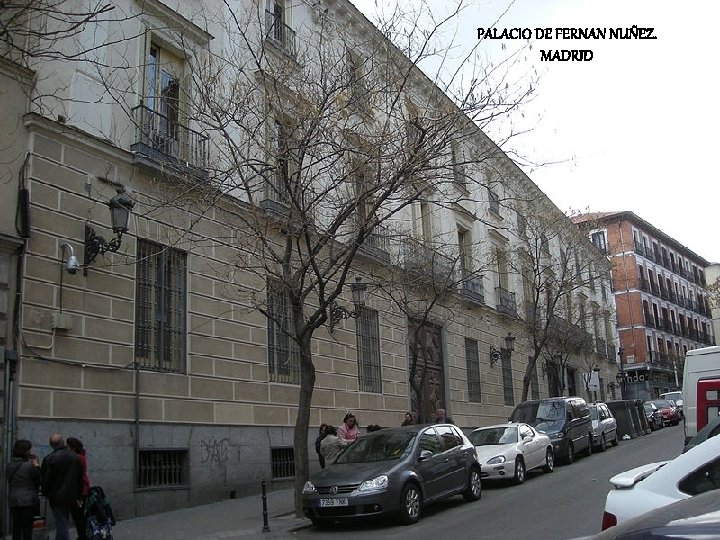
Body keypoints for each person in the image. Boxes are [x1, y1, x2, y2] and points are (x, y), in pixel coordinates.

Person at [41, 434, 82, 540]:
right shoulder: (75, 457)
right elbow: (79, 478)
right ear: (63, 442)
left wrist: (45, 492)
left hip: (56, 496)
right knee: (63, 521)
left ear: (51, 445)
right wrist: (78, 496)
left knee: (61, 522)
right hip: (71, 495)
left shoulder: (49, 459)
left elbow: (45, 480)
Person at [6, 439, 40, 540]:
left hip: (14, 499)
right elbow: (38, 479)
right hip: (27, 501)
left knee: (16, 527)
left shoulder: (9, 465)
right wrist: (37, 466)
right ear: (25, 451)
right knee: (27, 528)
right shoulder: (29, 466)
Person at [66, 437, 90, 540]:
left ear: (72, 447)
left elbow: (77, 477)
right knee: (79, 515)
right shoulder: (81, 456)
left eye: (67, 446)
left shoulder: (76, 458)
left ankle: (83, 536)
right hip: (83, 488)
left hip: (80, 490)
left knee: (78, 515)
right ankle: (83, 535)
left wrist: (78, 495)